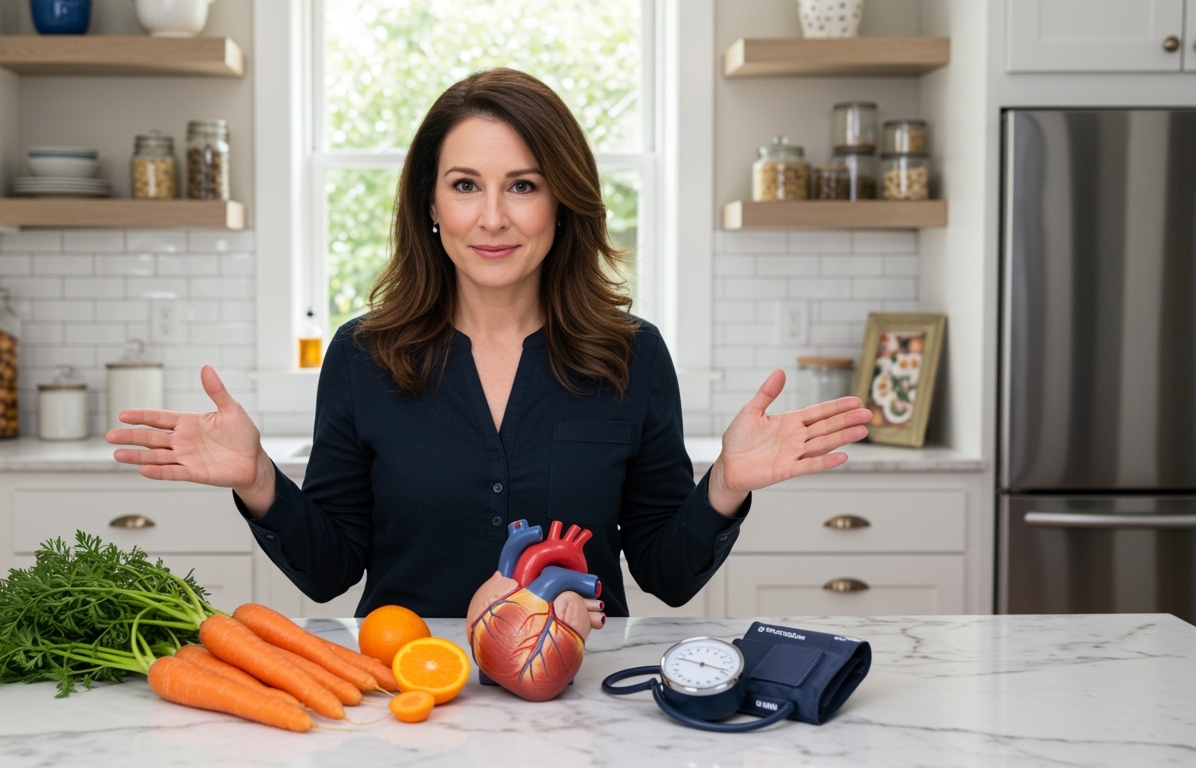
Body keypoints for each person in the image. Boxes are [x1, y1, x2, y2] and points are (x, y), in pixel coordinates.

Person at [107, 68, 871, 629]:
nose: (494, 218)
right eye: (467, 185)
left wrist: (727, 485)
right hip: (407, 690)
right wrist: (259, 481)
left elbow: (666, 576)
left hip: (579, 699)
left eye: (524, 185)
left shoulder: (631, 356)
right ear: (431, 204)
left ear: (562, 201)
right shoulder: (362, 355)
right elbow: (331, 572)